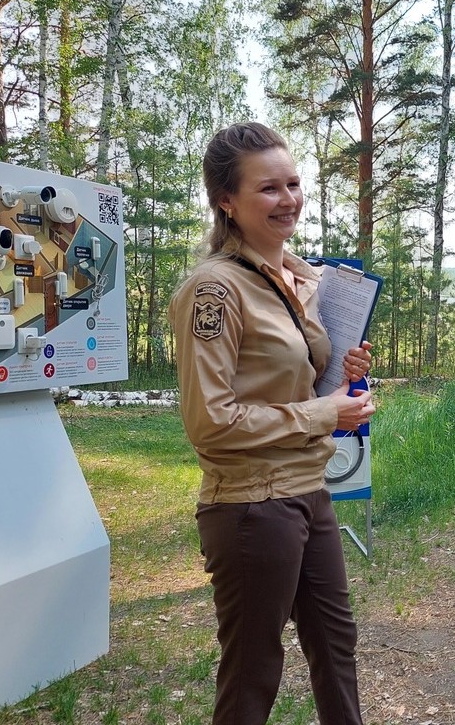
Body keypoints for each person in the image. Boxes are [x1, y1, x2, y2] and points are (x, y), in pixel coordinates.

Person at [167, 122, 375, 725]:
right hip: (253, 506)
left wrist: (338, 377)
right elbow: (212, 423)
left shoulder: (302, 278)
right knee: (254, 669)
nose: (288, 200)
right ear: (226, 202)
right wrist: (323, 411)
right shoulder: (214, 291)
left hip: (308, 491)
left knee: (337, 649)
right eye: (268, 189)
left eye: (293, 183)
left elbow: (289, 381)